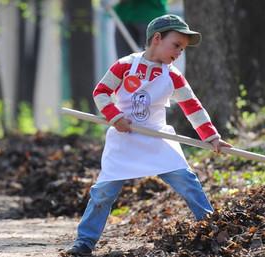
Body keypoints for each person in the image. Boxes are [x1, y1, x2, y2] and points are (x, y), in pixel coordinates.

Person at [66, 14, 232, 255]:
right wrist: (115, 117)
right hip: (124, 137)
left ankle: (214, 229)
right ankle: (84, 243)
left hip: (158, 139)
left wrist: (212, 137)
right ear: (156, 38)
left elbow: (192, 107)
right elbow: (101, 92)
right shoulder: (124, 65)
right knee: (103, 193)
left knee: (188, 182)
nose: (179, 53)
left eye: (183, 49)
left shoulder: (173, 76)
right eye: (176, 45)